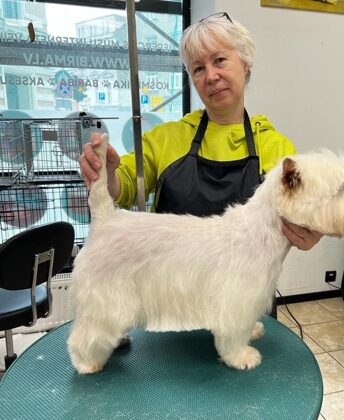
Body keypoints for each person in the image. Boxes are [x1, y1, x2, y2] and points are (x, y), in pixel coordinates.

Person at [79, 12, 322, 317]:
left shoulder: (276, 149)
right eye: (198, 68)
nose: (210, 76)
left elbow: (305, 211)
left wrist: (312, 230)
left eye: (219, 60)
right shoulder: (167, 138)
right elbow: (123, 187)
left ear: (244, 64)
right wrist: (106, 173)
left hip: (244, 309)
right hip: (171, 308)